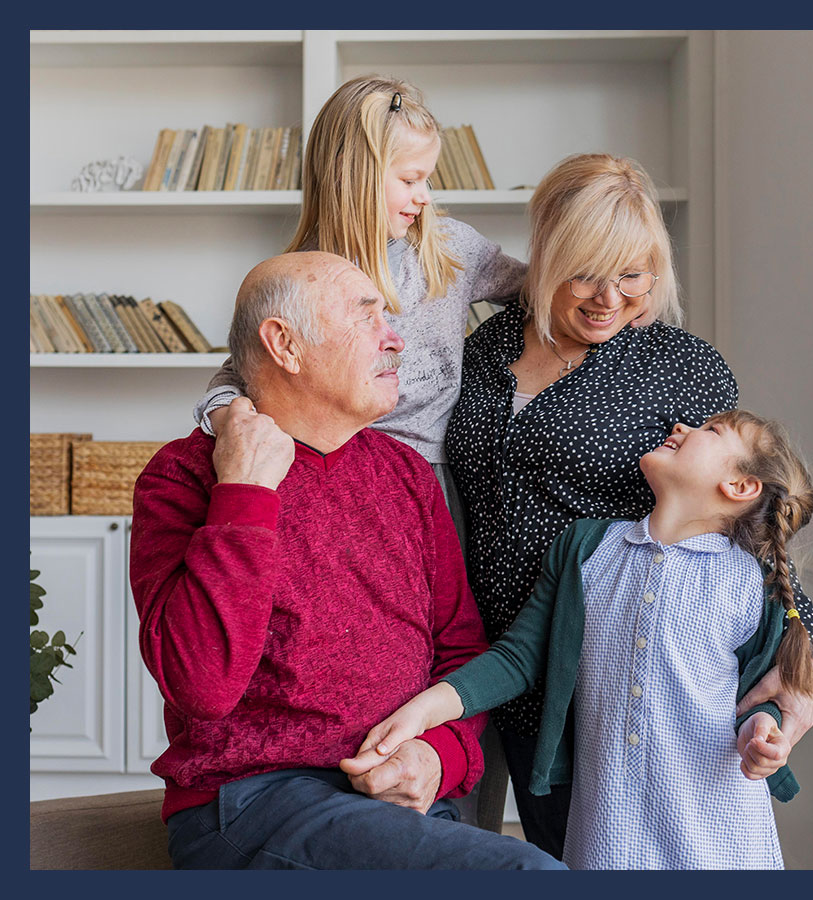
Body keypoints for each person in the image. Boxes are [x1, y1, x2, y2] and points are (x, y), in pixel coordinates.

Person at [442, 153, 813, 857]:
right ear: (546, 255)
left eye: (633, 274)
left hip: (593, 674)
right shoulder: (484, 346)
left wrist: (806, 657)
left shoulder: (680, 366)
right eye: (584, 271)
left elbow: (747, 509)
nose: (608, 297)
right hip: (473, 653)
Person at [129, 251, 564, 870]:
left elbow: (459, 649)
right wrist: (246, 493)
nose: (396, 338)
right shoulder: (185, 476)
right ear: (285, 344)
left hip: (394, 802)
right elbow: (203, 685)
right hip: (254, 800)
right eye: (368, 318)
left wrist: (438, 754)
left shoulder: (405, 474)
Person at [192, 77, 525, 830]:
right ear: (354, 174)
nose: (424, 194)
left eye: (429, 177)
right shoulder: (307, 274)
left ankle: (453, 819)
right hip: (335, 478)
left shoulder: (450, 248)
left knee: (456, 661)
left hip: (433, 487)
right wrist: (236, 429)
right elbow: (233, 379)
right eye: (409, 178)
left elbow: (540, 293)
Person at [343, 409, 813, 869]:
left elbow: (758, 697)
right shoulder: (586, 548)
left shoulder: (750, 582)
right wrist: (422, 711)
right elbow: (517, 658)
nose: (682, 426)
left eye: (712, 430)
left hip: (716, 831)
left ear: (739, 487)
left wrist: (762, 732)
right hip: (607, 825)